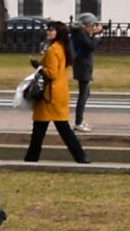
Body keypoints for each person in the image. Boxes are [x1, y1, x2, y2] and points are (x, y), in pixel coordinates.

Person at [23, 20, 91, 163]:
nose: (48, 32)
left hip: (49, 95)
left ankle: (32, 158)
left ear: (58, 33)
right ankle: (80, 156)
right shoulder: (62, 47)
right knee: (54, 128)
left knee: (44, 129)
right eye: (48, 29)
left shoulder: (53, 50)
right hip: (58, 93)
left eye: (51, 30)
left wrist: (38, 67)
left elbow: (51, 73)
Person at [71, 13, 102, 132]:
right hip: (82, 67)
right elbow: (91, 46)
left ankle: (80, 120)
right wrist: (97, 35)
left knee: (86, 94)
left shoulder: (82, 33)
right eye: (93, 25)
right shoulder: (80, 34)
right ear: (87, 25)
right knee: (83, 95)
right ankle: (78, 122)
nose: (94, 27)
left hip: (84, 66)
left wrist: (94, 34)